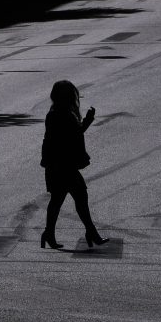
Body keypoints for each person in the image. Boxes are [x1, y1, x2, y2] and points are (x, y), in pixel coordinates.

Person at [40, 80, 106, 249]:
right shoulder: (59, 114)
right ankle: (90, 232)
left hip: (59, 165)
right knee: (76, 197)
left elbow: (72, 134)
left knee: (61, 199)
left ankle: (50, 233)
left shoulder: (58, 112)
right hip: (62, 165)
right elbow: (72, 135)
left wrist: (86, 121)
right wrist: (88, 121)